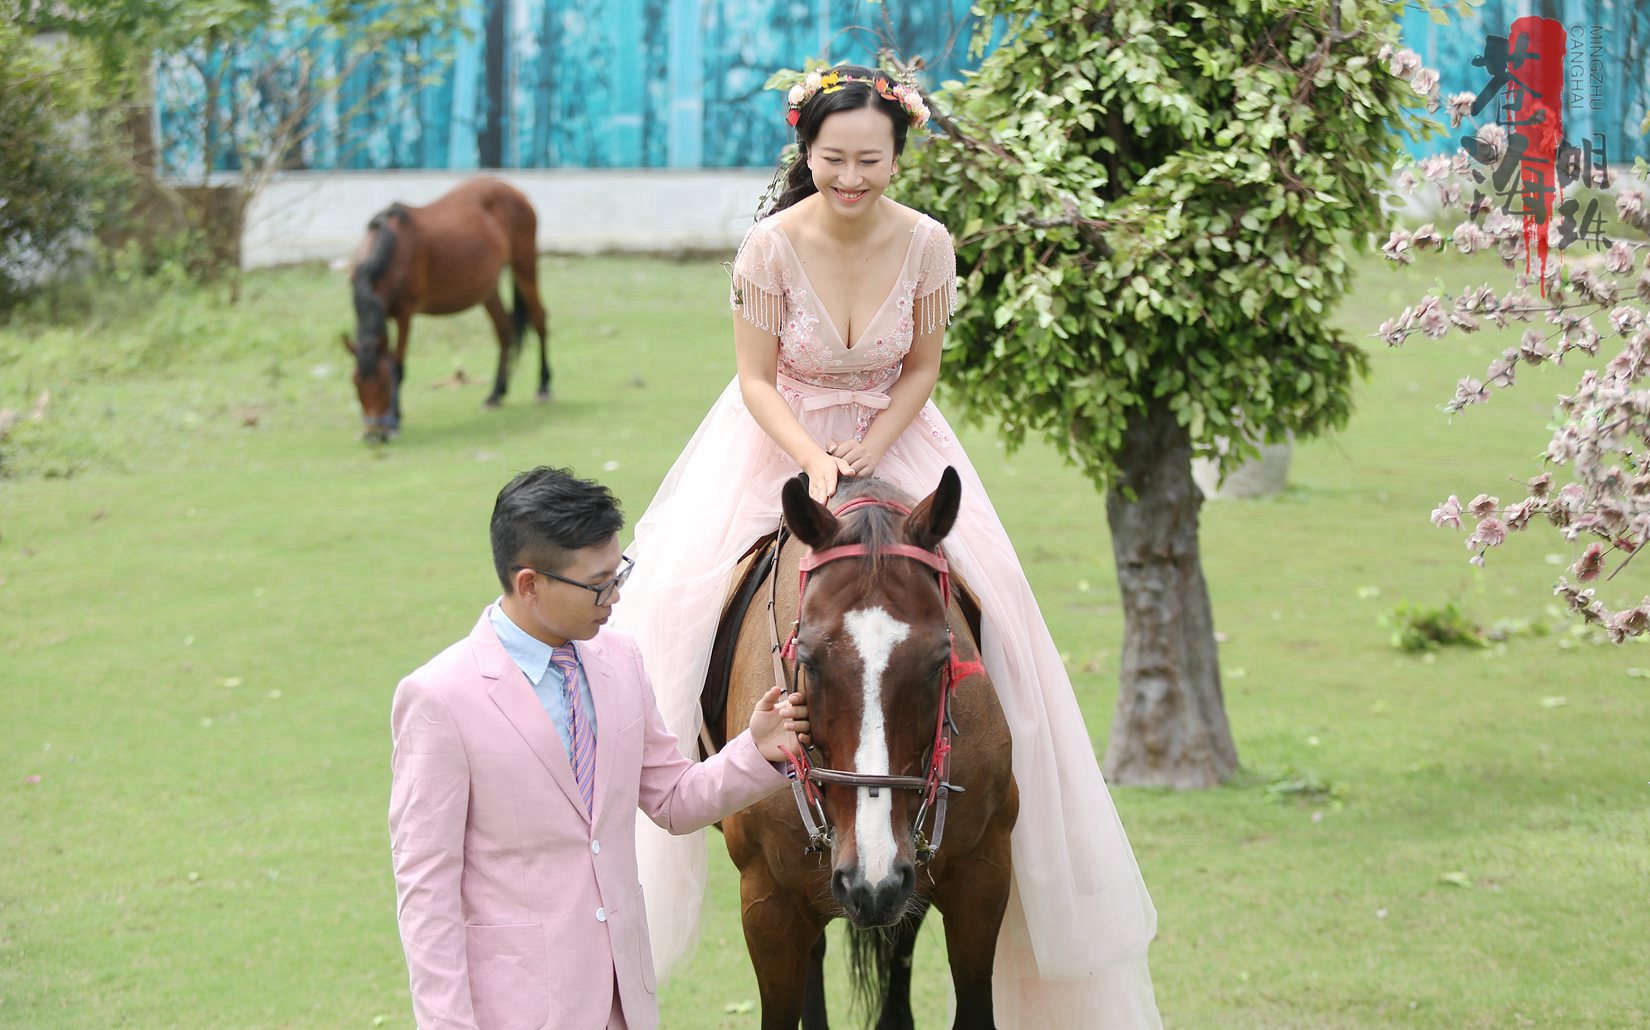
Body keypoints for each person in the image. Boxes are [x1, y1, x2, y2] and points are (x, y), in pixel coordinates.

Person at [612, 65, 1163, 1026]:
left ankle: (1000, 776)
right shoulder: (767, 247)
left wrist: (873, 443)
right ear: (807, 155)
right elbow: (755, 379)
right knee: (684, 604)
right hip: (778, 442)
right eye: (833, 160)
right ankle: (706, 756)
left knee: (996, 604)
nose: (852, 177)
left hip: (900, 439)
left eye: (870, 160)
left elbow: (922, 366)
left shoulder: (929, 243)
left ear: (898, 155)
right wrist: (814, 463)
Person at [388, 466, 807, 1030]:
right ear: (531, 584)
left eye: (619, 574)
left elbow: (673, 799)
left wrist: (757, 751)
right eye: (599, 583)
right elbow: (426, 891)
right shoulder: (438, 699)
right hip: (513, 1009)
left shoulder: (620, 660)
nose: (615, 596)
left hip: (624, 1003)